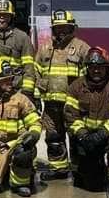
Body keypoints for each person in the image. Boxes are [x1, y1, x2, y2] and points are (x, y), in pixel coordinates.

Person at [65, 47, 109, 198]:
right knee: (92, 185)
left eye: (100, 68)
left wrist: (102, 134)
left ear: (107, 68)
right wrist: (83, 135)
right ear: (87, 68)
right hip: (86, 136)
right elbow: (70, 115)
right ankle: (82, 173)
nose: (96, 71)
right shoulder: (76, 86)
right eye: (92, 67)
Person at [35, 10, 91, 181]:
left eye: (65, 27)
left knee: (76, 137)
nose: (61, 31)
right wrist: (37, 96)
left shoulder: (82, 47)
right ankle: (58, 169)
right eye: (58, 28)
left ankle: (79, 169)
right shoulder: (45, 48)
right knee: (53, 137)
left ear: (72, 28)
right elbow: (36, 72)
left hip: (73, 106)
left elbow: (89, 77)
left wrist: (86, 101)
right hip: (51, 105)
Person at [0, 59, 41, 197]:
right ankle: (4, 173)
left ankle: (20, 183)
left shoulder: (20, 99)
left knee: (24, 152)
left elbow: (35, 122)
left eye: (11, 79)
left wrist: (34, 135)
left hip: (13, 146)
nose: (10, 82)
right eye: (5, 80)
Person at [0, 0, 36, 97]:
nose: (1, 18)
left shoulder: (22, 37)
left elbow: (29, 67)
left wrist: (27, 91)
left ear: (12, 17)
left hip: (15, 89)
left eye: (6, 15)